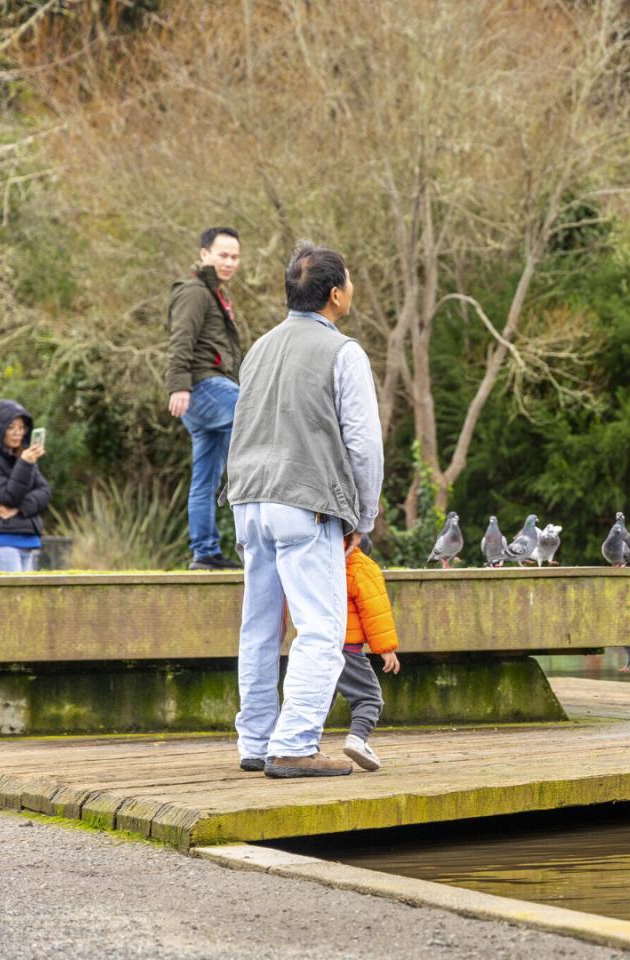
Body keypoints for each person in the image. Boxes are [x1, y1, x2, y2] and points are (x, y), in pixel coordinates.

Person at [226, 241, 383, 779]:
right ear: (336, 295)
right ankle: (293, 744)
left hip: (249, 500)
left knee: (260, 626)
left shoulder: (259, 348)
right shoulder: (344, 352)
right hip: (306, 503)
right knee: (321, 628)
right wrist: (364, 516)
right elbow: (363, 444)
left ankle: (256, 740)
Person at [167, 226, 245, 570]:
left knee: (205, 478)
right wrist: (178, 385)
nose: (229, 262)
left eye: (235, 257)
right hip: (203, 387)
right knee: (261, 424)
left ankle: (205, 552)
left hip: (206, 391)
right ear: (204, 255)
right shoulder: (195, 292)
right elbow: (181, 338)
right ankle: (261, 537)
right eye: (222, 255)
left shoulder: (215, 294)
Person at [338, 535, 401, 771]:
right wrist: (386, 649)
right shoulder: (361, 566)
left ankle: (303, 744)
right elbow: (375, 609)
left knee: (321, 698)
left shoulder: (320, 559)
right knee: (369, 697)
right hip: (348, 648)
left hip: (317, 645)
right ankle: (357, 739)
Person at [0, 400, 51, 573]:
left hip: (27, 542)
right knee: (11, 600)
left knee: (26, 600)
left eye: (21, 428)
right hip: (1, 544)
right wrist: (25, 464)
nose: (18, 433)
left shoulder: (23, 458)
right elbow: (8, 497)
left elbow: (45, 492)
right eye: (11, 427)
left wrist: (19, 509)